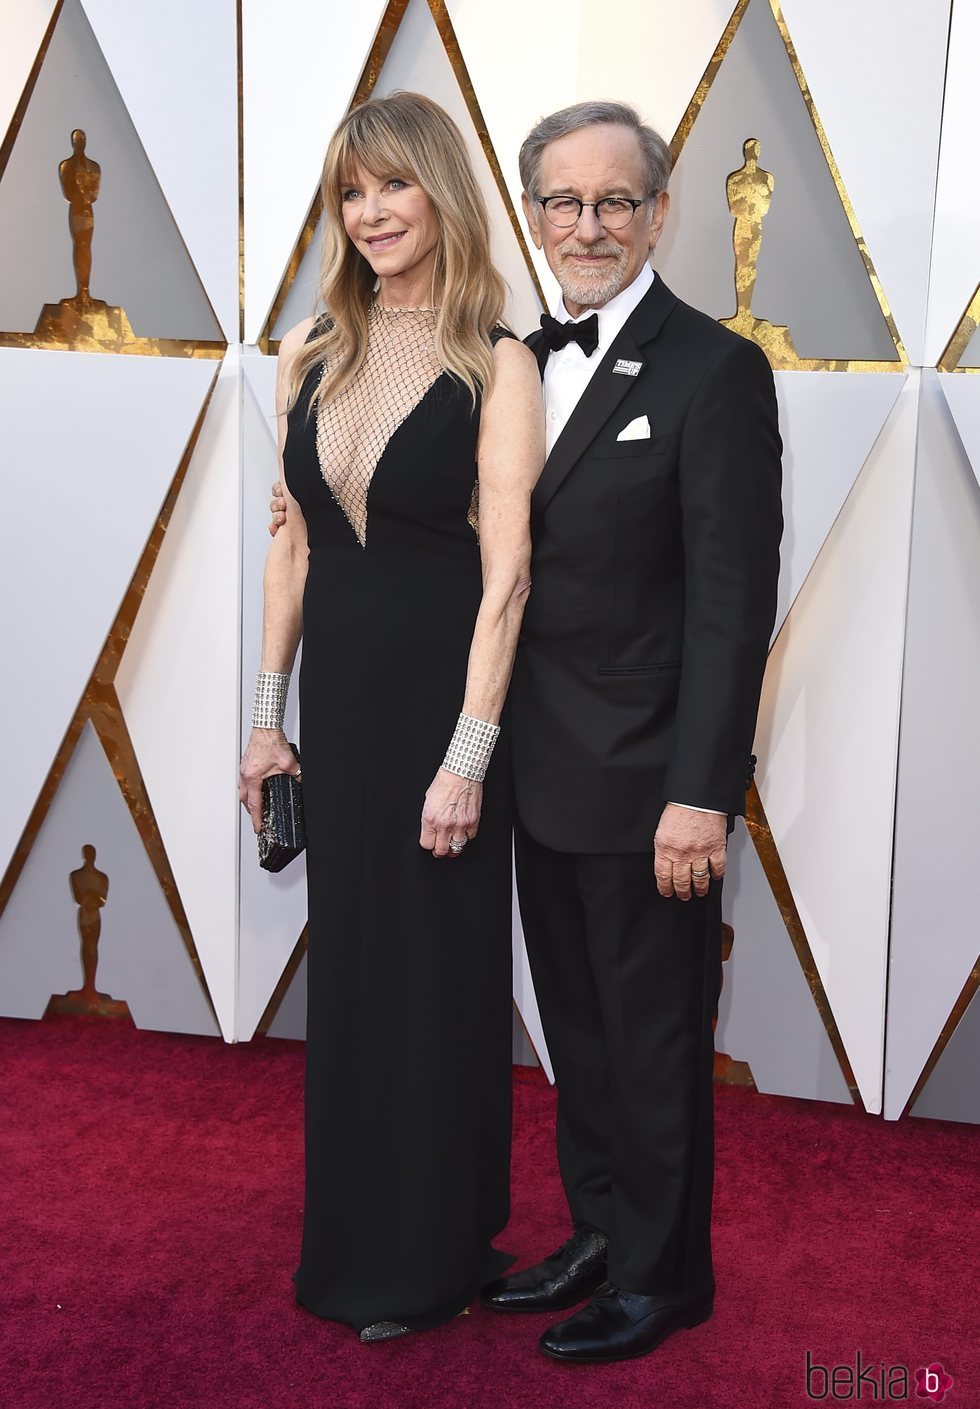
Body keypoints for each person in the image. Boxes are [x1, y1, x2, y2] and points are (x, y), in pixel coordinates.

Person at [271, 99, 782, 1364]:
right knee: (578, 1033)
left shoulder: (716, 370)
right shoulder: (529, 352)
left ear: (659, 213)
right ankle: (601, 1232)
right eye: (562, 202)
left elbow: (730, 606)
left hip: (648, 778)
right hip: (535, 768)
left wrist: (701, 790)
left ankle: (664, 1278)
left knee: (654, 1039)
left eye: (614, 202)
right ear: (531, 213)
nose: (587, 225)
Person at [240, 90, 544, 1343]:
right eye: (349, 192)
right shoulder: (310, 346)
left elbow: (509, 573)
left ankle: (429, 1253)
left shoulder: (498, 362)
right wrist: (266, 717)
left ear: (439, 195)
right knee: (359, 981)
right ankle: (363, 1238)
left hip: (443, 711)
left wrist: (467, 755)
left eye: (391, 187)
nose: (368, 213)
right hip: (343, 714)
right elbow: (292, 547)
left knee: (437, 982)